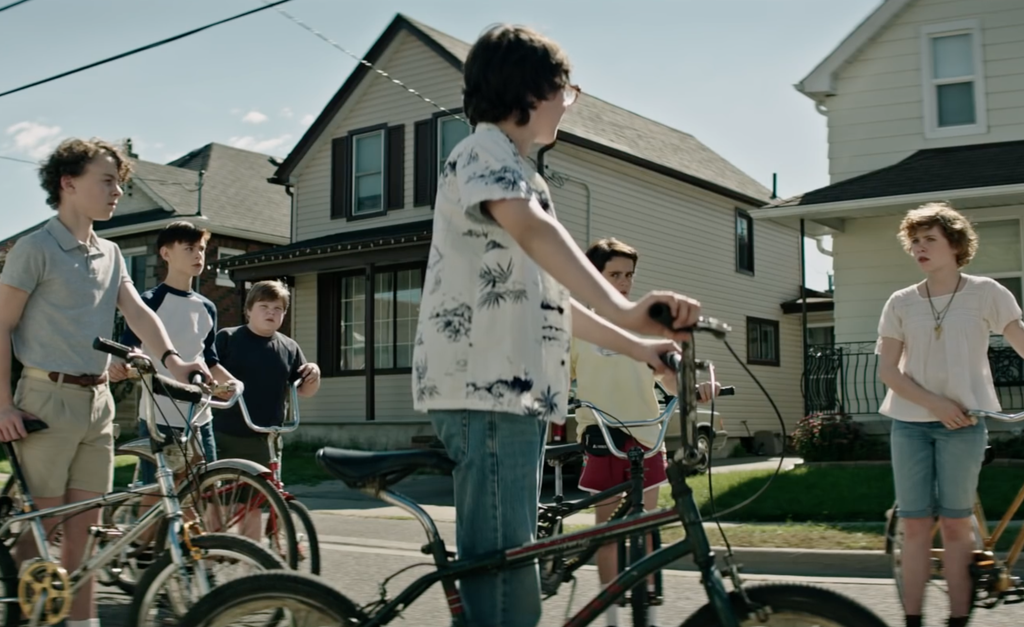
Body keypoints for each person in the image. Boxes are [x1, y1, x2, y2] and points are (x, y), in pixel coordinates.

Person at [412, 24, 700, 627]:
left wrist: (639, 345)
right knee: (505, 573)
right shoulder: (484, 152)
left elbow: (552, 308)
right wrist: (624, 307)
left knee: (506, 565)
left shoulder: (523, 175)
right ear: (533, 91)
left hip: (512, 391)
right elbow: (537, 232)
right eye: (567, 89)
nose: (570, 101)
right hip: (485, 388)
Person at [0, 138, 209, 627]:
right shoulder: (36, 248)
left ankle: (82, 622)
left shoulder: (111, 253)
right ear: (68, 183)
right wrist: (2, 405)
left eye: (120, 181)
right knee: (42, 528)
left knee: (86, 532)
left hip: (99, 402)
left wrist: (175, 363)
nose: (118, 191)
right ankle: (19, 613)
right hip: (44, 401)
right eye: (107, 180)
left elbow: (138, 313)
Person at [876, 202, 1024, 627]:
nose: (919, 248)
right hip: (910, 425)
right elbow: (888, 371)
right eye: (914, 241)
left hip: (965, 426)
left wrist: (950, 408)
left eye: (929, 240)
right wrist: (935, 404)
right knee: (917, 525)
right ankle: (913, 619)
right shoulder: (901, 302)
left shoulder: (986, 292)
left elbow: (1020, 338)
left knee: (958, 525)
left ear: (955, 245)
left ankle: (958, 619)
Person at [571, 237, 720, 627]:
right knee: (608, 531)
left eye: (629, 275)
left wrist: (695, 391)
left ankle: (649, 611)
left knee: (647, 528)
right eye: (614, 274)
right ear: (594, 275)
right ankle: (611, 615)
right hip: (602, 439)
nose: (623, 283)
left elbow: (670, 382)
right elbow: (556, 373)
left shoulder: (645, 330)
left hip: (646, 437)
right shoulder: (578, 328)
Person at [109, 220, 238, 556]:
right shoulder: (150, 300)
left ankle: (185, 557)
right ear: (166, 254)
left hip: (200, 415)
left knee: (199, 489)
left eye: (201, 249)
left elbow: (208, 359)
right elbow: (132, 347)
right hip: (160, 414)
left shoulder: (208, 307)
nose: (198, 256)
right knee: (158, 492)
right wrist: (128, 363)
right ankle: (138, 550)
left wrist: (230, 381)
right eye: (189, 249)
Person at [212, 280, 320, 538]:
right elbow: (210, 373)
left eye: (278, 308)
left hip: (266, 436)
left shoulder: (289, 347)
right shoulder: (227, 338)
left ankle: (253, 559)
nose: (271, 312)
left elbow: (304, 390)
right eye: (264, 306)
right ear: (248, 310)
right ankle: (214, 549)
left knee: (254, 501)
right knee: (219, 499)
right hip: (226, 432)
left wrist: (314, 373)